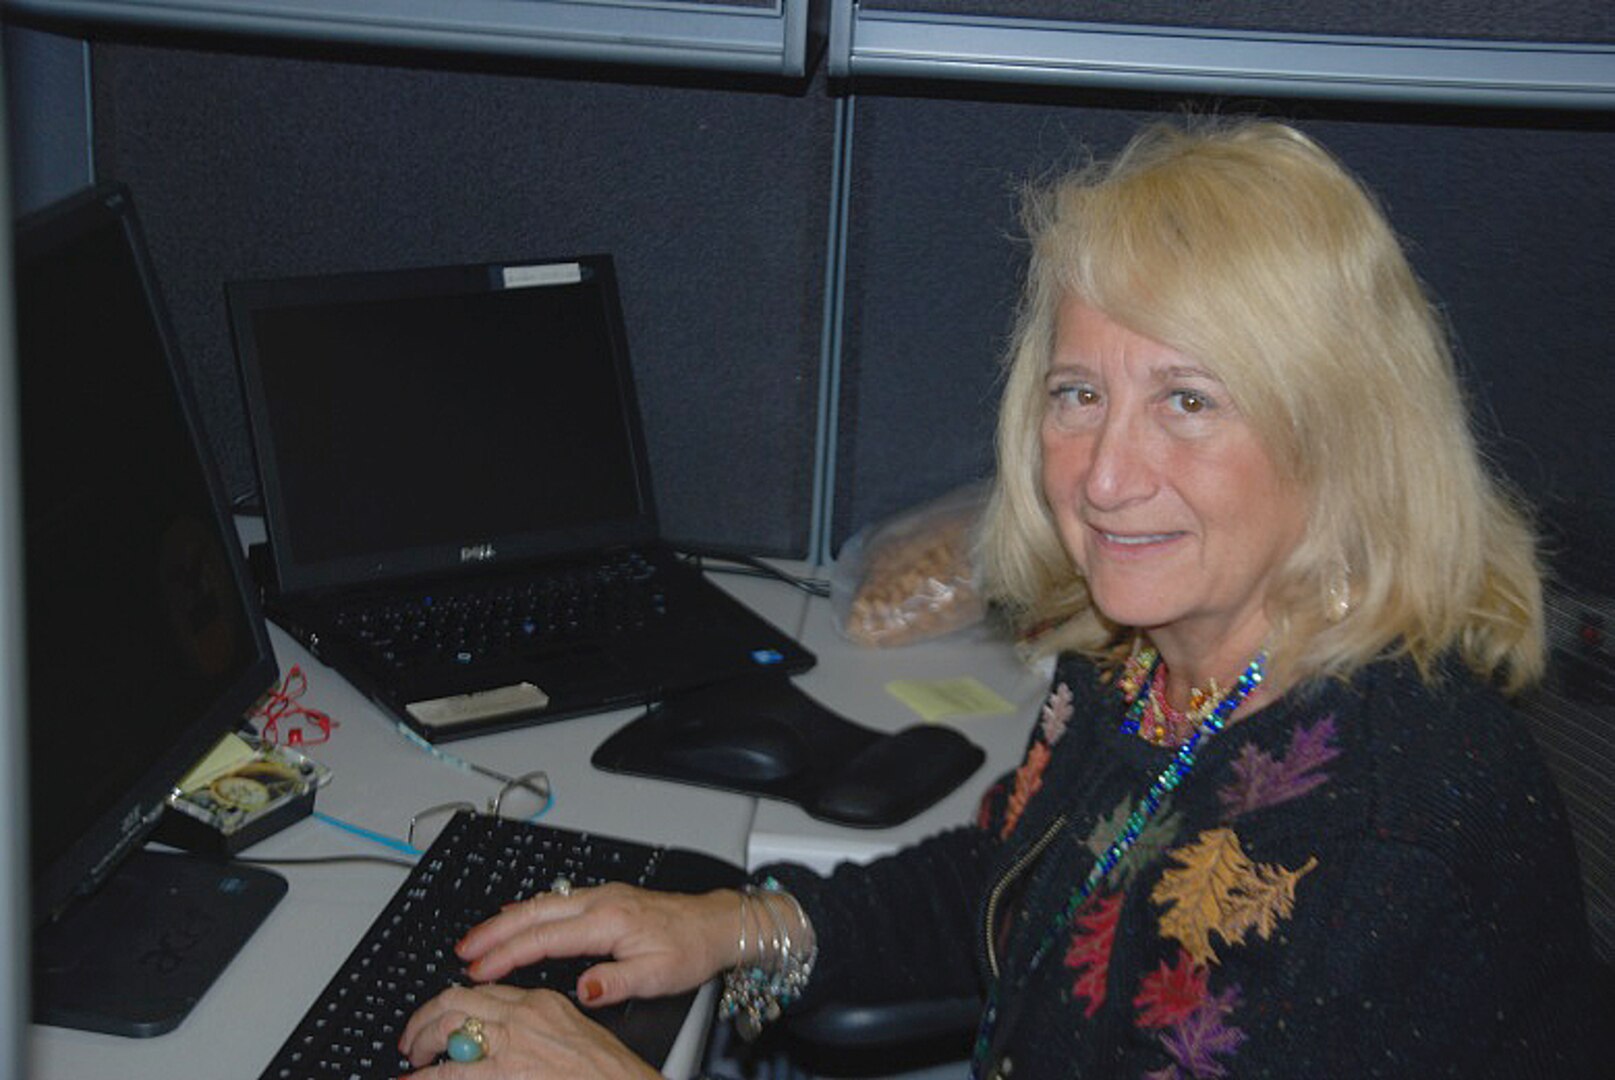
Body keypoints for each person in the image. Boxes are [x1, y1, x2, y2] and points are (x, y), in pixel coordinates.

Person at [396, 117, 1603, 1078]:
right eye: (1080, 393)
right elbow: (1011, 885)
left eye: (1189, 399)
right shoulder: (1137, 661)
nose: (1107, 474)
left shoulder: (1381, 839)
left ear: (1338, 437)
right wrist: (728, 927)